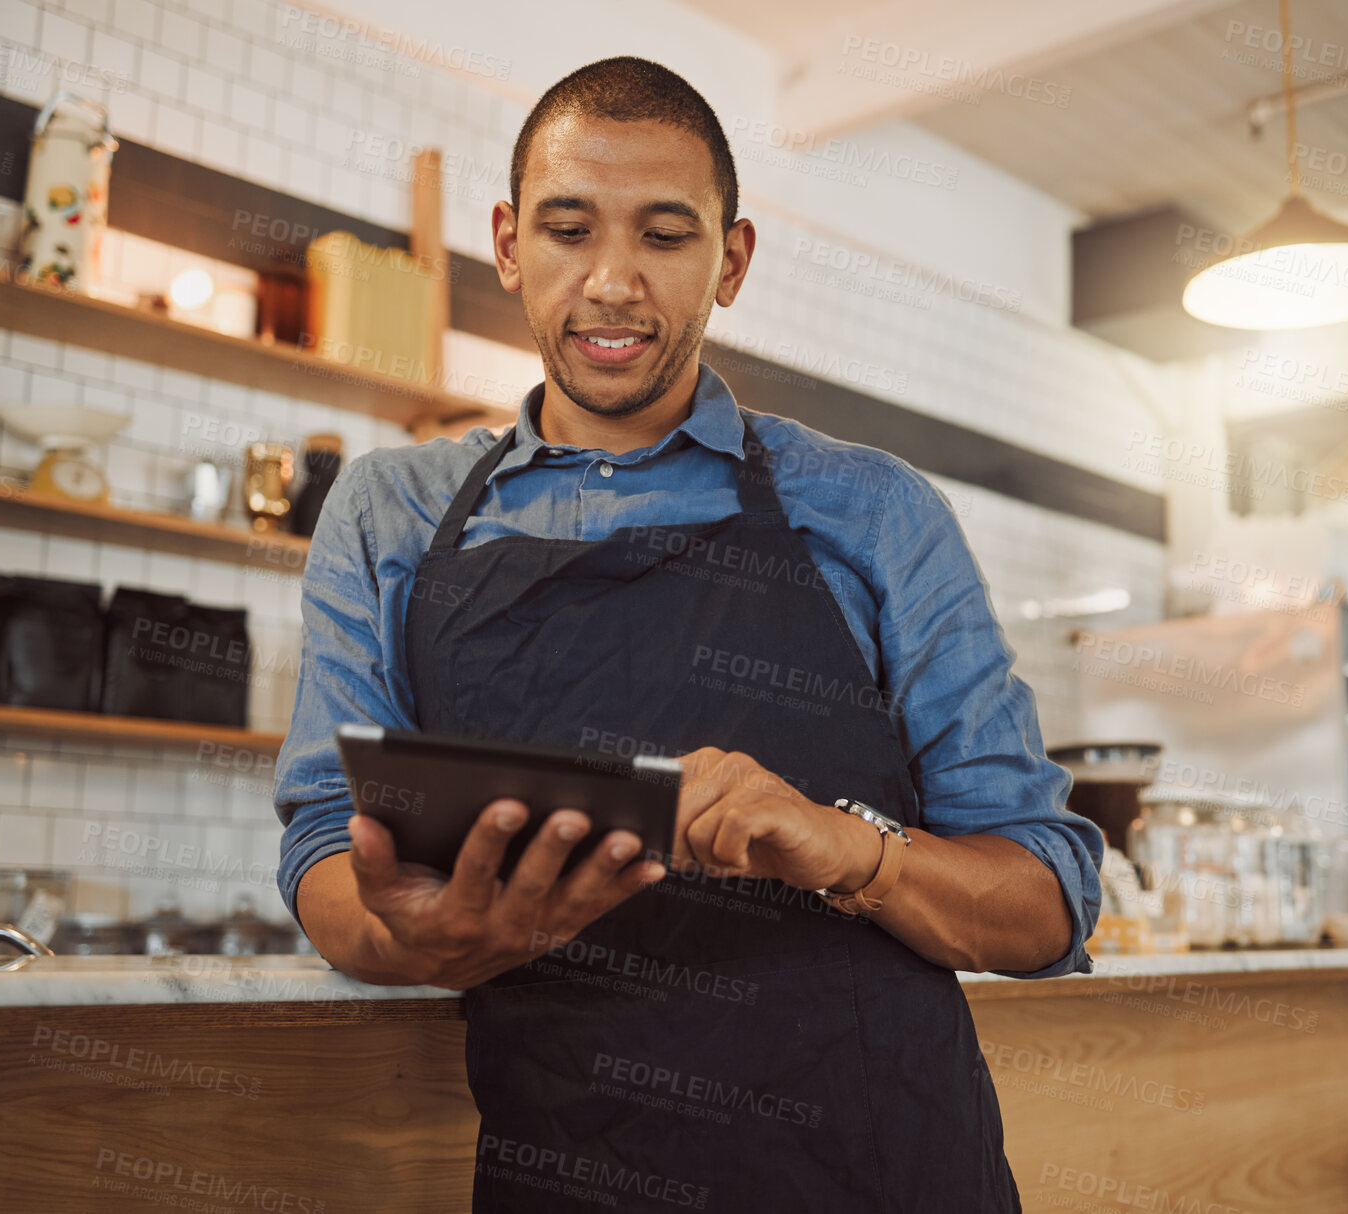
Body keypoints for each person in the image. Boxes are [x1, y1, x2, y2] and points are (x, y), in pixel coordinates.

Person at [274, 55, 1102, 1214]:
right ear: (509, 244)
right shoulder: (391, 513)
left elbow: (1046, 899)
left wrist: (841, 844)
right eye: (568, 230)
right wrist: (421, 938)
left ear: (732, 260)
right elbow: (325, 839)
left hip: (886, 1167)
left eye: (665, 236)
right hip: (565, 1166)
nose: (612, 282)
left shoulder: (873, 508)